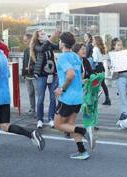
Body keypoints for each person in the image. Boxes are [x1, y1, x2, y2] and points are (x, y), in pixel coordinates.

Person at [54, 32, 95, 160]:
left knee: (58, 124)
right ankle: (82, 151)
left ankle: (84, 131)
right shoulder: (75, 56)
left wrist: (62, 88)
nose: (59, 43)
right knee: (71, 125)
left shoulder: (63, 57)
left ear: (63, 42)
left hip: (67, 97)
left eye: (60, 41)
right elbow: (81, 75)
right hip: (78, 96)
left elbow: (70, 75)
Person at [0, 49, 45, 151]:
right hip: (4, 96)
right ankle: (30, 134)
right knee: (5, 125)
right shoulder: (2, 56)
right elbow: (8, 75)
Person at [29, 30, 59, 129]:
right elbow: (42, 49)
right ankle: (40, 119)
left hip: (52, 75)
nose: (44, 35)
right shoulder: (36, 45)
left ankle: (51, 118)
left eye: (45, 33)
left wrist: (62, 38)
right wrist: (51, 38)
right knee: (41, 98)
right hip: (41, 75)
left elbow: (59, 47)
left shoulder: (49, 44)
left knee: (52, 97)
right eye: (42, 34)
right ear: (38, 37)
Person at [92, 35, 111, 105]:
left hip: (97, 67)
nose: (92, 41)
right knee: (102, 83)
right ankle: (107, 99)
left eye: (93, 40)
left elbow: (95, 59)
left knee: (94, 83)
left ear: (96, 41)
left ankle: (94, 99)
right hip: (101, 66)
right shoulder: (100, 48)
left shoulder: (95, 49)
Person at [22, 33, 36, 116]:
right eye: (24, 41)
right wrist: (23, 73)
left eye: (26, 40)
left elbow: (38, 63)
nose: (25, 42)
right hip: (27, 75)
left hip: (35, 75)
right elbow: (24, 63)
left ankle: (38, 110)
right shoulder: (26, 50)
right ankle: (32, 109)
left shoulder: (36, 50)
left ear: (31, 40)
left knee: (38, 94)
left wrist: (31, 68)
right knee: (30, 93)